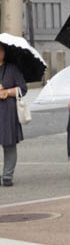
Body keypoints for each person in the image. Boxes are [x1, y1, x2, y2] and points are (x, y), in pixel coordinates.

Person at [0, 45, 28, 187]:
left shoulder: (12, 69)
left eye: (0, 50)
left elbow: (23, 89)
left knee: (9, 144)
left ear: (5, 53)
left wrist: (7, 91)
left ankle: (7, 175)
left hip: (7, 110)